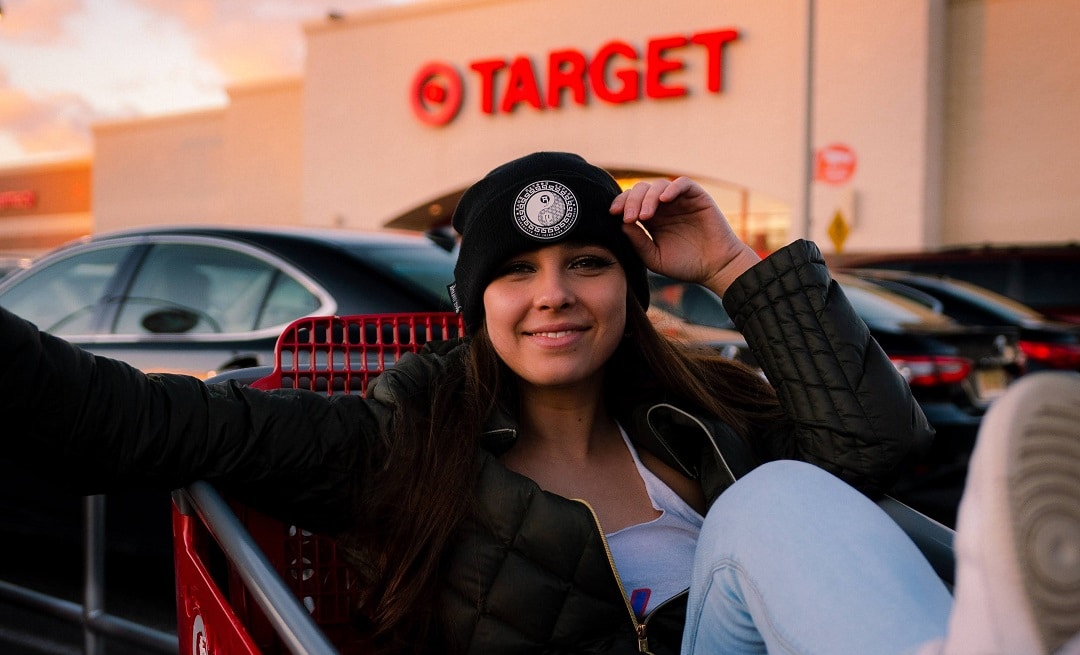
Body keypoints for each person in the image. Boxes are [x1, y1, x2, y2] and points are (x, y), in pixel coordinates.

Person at [1, 151, 1077, 655]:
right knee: (776, 504)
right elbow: (130, 420)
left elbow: (880, 450)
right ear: (476, 304)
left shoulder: (702, 415)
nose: (553, 295)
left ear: (631, 286)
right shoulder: (398, 441)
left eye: (587, 265)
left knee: (784, 498)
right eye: (517, 272)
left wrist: (737, 263)